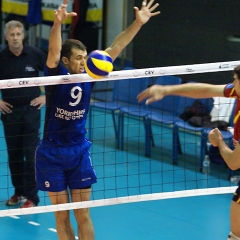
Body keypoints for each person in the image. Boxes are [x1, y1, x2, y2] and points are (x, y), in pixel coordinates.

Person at [35, 0, 160, 239]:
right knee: (61, 215)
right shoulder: (55, 76)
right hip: (51, 153)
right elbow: (53, 51)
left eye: (85, 57)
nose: (84, 62)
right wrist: (57, 24)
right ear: (66, 61)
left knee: (83, 214)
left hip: (78, 151)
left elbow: (116, 46)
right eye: (78, 58)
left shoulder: (91, 74)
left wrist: (137, 23)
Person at [137, 65, 240, 240]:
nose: (232, 83)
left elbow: (234, 162)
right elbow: (205, 90)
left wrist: (219, 142)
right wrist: (166, 89)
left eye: (235, 80)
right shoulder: (236, 92)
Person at [0, 20, 46, 208]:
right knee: (14, 155)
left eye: (18, 34)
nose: (15, 38)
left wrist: (46, 97)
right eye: (12, 35)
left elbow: (56, 73)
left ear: (23, 35)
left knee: (31, 153)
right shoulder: (1, 57)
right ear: (6, 37)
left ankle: (32, 197)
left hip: (31, 111)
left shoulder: (35, 54)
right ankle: (18, 191)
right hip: (9, 112)